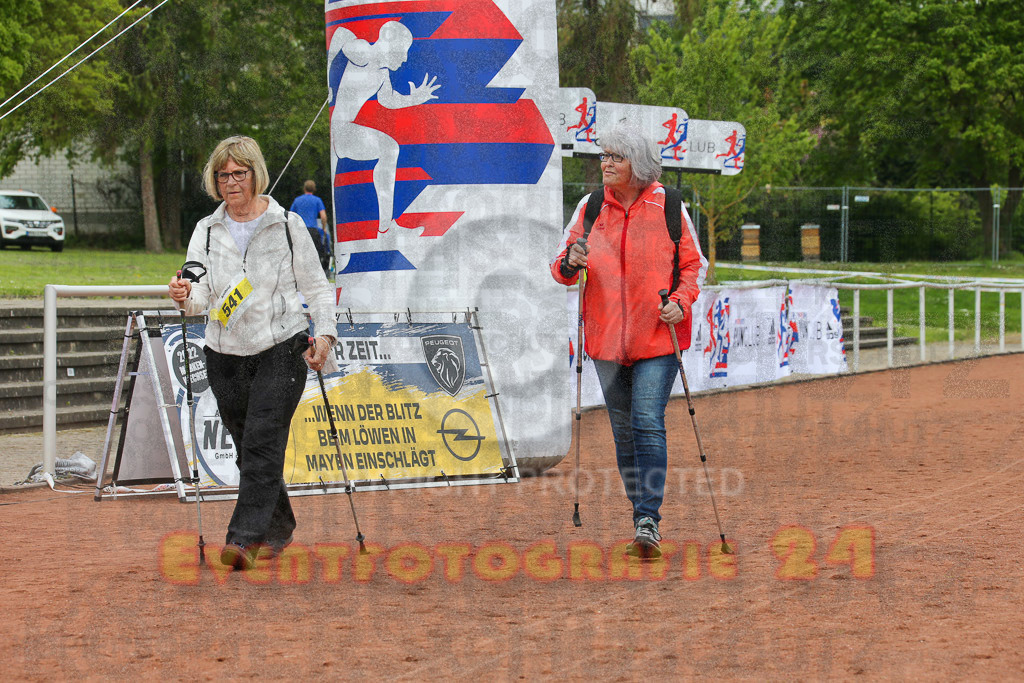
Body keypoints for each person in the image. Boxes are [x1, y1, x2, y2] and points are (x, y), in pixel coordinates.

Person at [168, 135, 338, 571]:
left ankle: (242, 540)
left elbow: (317, 289)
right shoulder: (206, 229)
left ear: (255, 174)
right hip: (225, 352)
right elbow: (199, 293)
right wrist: (184, 296)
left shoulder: (286, 225)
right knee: (248, 446)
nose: (230, 182)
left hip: (282, 345)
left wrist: (326, 336)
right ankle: (278, 525)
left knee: (263, 439)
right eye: (222, 175)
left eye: (238, 173)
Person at [551, 123, 707, 559]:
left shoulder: (669, 205)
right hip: (605, 340)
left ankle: (648, 520)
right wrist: (570, 260)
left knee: (646, 421)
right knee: (623, 432)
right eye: (603, 156)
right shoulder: (590, 206)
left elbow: (695, 267)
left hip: (658, 336)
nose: (605, 164)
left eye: (615, 157)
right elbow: (560, 269)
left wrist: (679, 300)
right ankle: (640, 513)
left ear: (636, 164)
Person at [327, 20, 440, 239]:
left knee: (389, 149)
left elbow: (388, 100)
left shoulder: (382, 73)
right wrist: (329, 82)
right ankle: (385, 229)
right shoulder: (364, 53)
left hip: (346, 130)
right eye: (402, 51)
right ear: (387, 41)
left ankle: (386, 228)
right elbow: (341, 33)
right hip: (340, 131)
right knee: (389, 149)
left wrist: (414, 99)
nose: (405, 58)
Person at [290, 180, 331, 275]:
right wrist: (324, 228)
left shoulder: (297, 200)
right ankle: (314, 274)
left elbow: (291, 215)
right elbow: (323, 216)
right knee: (314, 254)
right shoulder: (317, 200)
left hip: (300, 230)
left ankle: (300, 274)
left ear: (304, 188)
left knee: (300, 254)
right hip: (313, 231)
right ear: (314, 189)